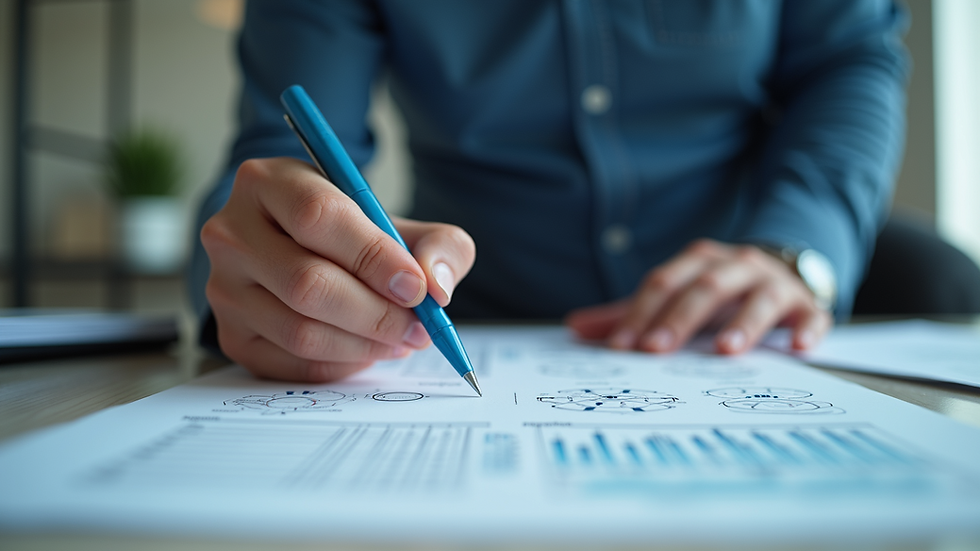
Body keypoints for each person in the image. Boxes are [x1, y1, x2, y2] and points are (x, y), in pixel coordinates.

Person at [189, 0, 909, 382]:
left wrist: (795, 250)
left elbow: (851, 58)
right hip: (471, 308)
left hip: (743, 294)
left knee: (933, 273)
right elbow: (284, 155)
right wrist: (276, 259)